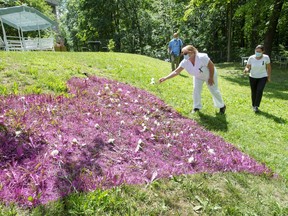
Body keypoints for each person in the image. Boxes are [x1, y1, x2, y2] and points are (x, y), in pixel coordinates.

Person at [159, 45, 226, 114]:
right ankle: (196, 107)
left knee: (214, 91)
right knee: (196, 90)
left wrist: (211, 77)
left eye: (185, 53)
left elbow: (211, 66)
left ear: (192, 52)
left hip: (209, 74)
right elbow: (176, 71)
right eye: (182, 53)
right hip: (198, 76)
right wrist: (165, 78)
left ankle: (222, 106)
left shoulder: (202, 57)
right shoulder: (185, 62)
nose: (184, 55)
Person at [243, 45, 271, 113]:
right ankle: (253, 105)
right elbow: (248, 66)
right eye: (256, 51)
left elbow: (269, 68)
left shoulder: (266, 57)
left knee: (259, 90)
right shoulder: (251, 58)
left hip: (262, 76)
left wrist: (268, 76)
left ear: (263, 51)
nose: (257, 52)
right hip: (252, 76)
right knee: (254, 91)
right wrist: (246, 70)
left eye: (259, 51)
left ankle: (256, 106)